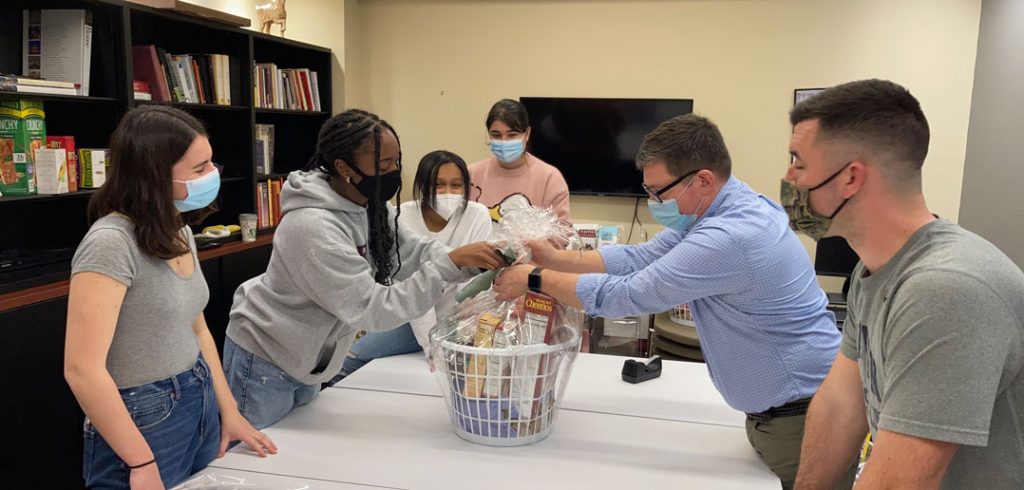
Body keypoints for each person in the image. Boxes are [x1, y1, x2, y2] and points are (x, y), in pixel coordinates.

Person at [493, 114, 843, 489]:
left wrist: (534, 279)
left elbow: (629, 295)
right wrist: (553, 257)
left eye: (659, 192)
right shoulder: (723, 208)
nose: (655, 202)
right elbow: (640, 257)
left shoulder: (729, 236)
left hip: (800, 419)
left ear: (703, 180)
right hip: (783, 413)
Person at [782, 79, 1024, 489]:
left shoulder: (946, 290)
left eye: (798, 162)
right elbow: (842, 405)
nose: (788, 177)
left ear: (850, 178)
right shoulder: (871, 271)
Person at [223, 110, 503, 429]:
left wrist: (470, 261)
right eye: (383, 166)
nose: (393, 172)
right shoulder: (313, 228)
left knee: (298, 443)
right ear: (344, 168)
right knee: (260, 461)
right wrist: (449, 265)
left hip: (311, 358)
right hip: (268, 358)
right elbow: (373, 310)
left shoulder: (365, 204)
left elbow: (407, 251)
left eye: (396, 163)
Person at [65, 106, 275, 490]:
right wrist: (140, 461)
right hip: (142, 415)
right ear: (154, 177)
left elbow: (196, 329)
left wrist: (228, 410)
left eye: (211, 164)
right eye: (199, 169)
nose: (212, 176)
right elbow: (82, 370)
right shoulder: (110, 243)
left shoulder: (179, 231)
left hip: (198, 396)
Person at [336, 150, 493, 379]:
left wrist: (460, 333)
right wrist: (432, 345)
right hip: (409, 316)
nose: (447, 193)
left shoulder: (477, 215)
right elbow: (409, 284)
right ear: (421, 185)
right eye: (438, 185)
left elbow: (474, 283)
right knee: (350, 360)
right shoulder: (401, 215)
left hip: (459, 320)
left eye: (456, 185)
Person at [469, 98, 571, 223]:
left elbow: (562, 232)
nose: (503, 141)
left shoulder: (549, 178)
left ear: (527, 134)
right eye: (496, 135)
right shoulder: (471, 174)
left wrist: (528, 242)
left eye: (512, 135)